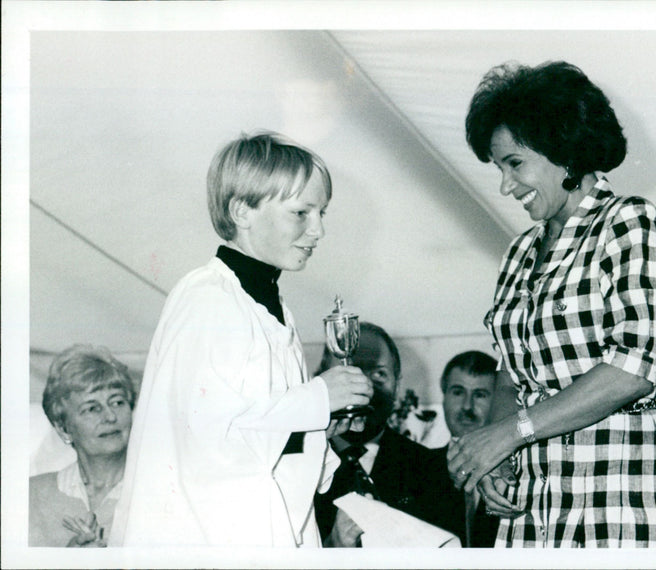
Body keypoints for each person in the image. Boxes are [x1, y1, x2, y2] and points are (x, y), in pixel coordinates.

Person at [447, 61, 656, 547]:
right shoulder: (518, 252)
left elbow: (633, 369)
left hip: (619, 489)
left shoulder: (628, 222)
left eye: (514, 163)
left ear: (562, 149)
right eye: (498, 168)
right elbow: (509, 374)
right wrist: (496, 457)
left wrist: (509, 434)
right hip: (536, 498)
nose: (504, 186)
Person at [109, 131, 373, 548]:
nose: (318, 230)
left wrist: (319, 422)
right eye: (301, 213)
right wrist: (317, 399)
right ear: (241, 210)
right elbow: (205, 444)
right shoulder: (207, 299)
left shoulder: (271, 307)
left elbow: (259, 423)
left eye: (322, 213)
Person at [313, 322, 462, 547]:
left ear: (397, 384)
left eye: (379, 374)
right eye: (350, 372)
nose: (364, 388)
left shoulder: (432, 470)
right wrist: (333, 545)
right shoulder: (298, 468)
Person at [29, 344, 136, 547]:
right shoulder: (29, 497)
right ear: (63, 429)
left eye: (118, 402)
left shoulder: (161, 491)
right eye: (92, 408)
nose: (110, 416)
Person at [431, 350, 502, 547]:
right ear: (443, 396)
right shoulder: (414, 468)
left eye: (480, 395)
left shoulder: (517, 473)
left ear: (498, 402)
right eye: (458, 392)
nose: (467, 406)